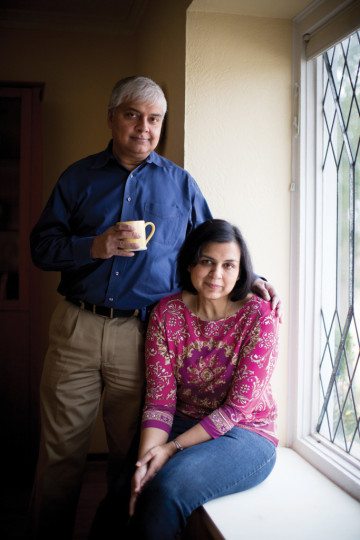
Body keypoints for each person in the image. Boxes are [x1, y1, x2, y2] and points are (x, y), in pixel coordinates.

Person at [29, 76, 279, 538]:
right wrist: (94, 246)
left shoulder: (181, 184)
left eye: (155, 119)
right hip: (78, 327)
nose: (144, 127)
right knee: (61, 453)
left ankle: (118, 529)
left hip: (142, 335)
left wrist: (254, 280)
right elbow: (41, 248)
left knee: (128, 454)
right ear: (112, 118)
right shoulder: (78, 177)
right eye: (132, 115)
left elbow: (214, 244)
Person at [127, 219, 279, 539]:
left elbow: (235, 410)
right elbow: (160, 400)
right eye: (207, 262)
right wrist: (145, 463)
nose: (216, 275)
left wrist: (170, 449)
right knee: (125, 490)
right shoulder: (166, 313)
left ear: (241, 271)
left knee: (166, 489)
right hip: (185, 421)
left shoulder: (259, 317)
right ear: (190, 263)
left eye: (228, 265)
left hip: (245, 434)